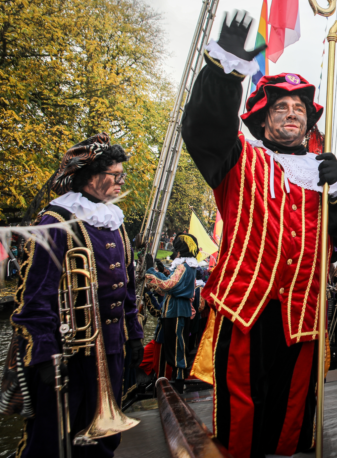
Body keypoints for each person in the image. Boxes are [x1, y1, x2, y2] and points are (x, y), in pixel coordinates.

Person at [180, 11, 337, 458]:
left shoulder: (323, 176)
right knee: (241, 416)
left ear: (308, 122)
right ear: (264, 120)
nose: (290, 114)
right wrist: (224, 71)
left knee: (293, 416)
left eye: (298, 109)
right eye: (281, 108)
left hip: (301, 315)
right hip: (245, 307)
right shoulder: (237, 157)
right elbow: (203, 128)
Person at [11, 133, 144, 457]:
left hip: (110, 350)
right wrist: (44, 357)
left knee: (102, 443)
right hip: (65, 357)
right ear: (89, 177)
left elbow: (126, 290)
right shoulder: (54, 222)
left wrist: (134, 335)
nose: (119, 181)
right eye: (113, 175)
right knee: (51, 440)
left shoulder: (115, 222)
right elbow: (35, 301)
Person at [145, 234, 199, 394]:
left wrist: (151, 271)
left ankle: (178, 381)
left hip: (176, 310)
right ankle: (177, 379)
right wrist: (163, 271)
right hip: (177, 309)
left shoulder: (183, 267)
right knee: (177, 346)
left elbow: (169, 285)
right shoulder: (188, 266)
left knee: (176, 347)